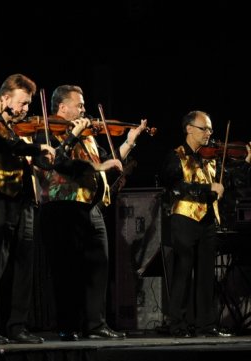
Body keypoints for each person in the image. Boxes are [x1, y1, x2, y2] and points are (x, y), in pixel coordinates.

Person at [36, 84, 147, 341]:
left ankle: (96, 325)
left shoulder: (88, 136)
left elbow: (110, 161)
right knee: (67, 271)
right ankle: (68, 325)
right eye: (80, 104)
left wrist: (129, 142)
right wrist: (75, 137)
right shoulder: (47, 131)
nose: (84, 109)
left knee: (99, 265)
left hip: (90, 207)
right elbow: (61, 163)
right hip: (62, 207)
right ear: (62, 107)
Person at [160, 110, 251, 338]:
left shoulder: (212, 158)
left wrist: (247, 161)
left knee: (206, 276)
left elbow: (233, 181)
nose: (209, 133)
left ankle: (206, 325)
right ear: (189, 129)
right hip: (184, 219)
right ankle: (178, 325)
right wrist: (208, 189)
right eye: (204, 128)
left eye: (210, 129)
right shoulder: (175, 156)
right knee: (183, 273)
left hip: (207, 221)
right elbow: (175, 187)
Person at [0, 74, 55, 345]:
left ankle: (17, 325)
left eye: (28, 104)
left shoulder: (20, 130)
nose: (25, 110)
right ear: (5, 99)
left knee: (23, 266)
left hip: (23, 200)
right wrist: (34, 147)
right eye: (22, 103)